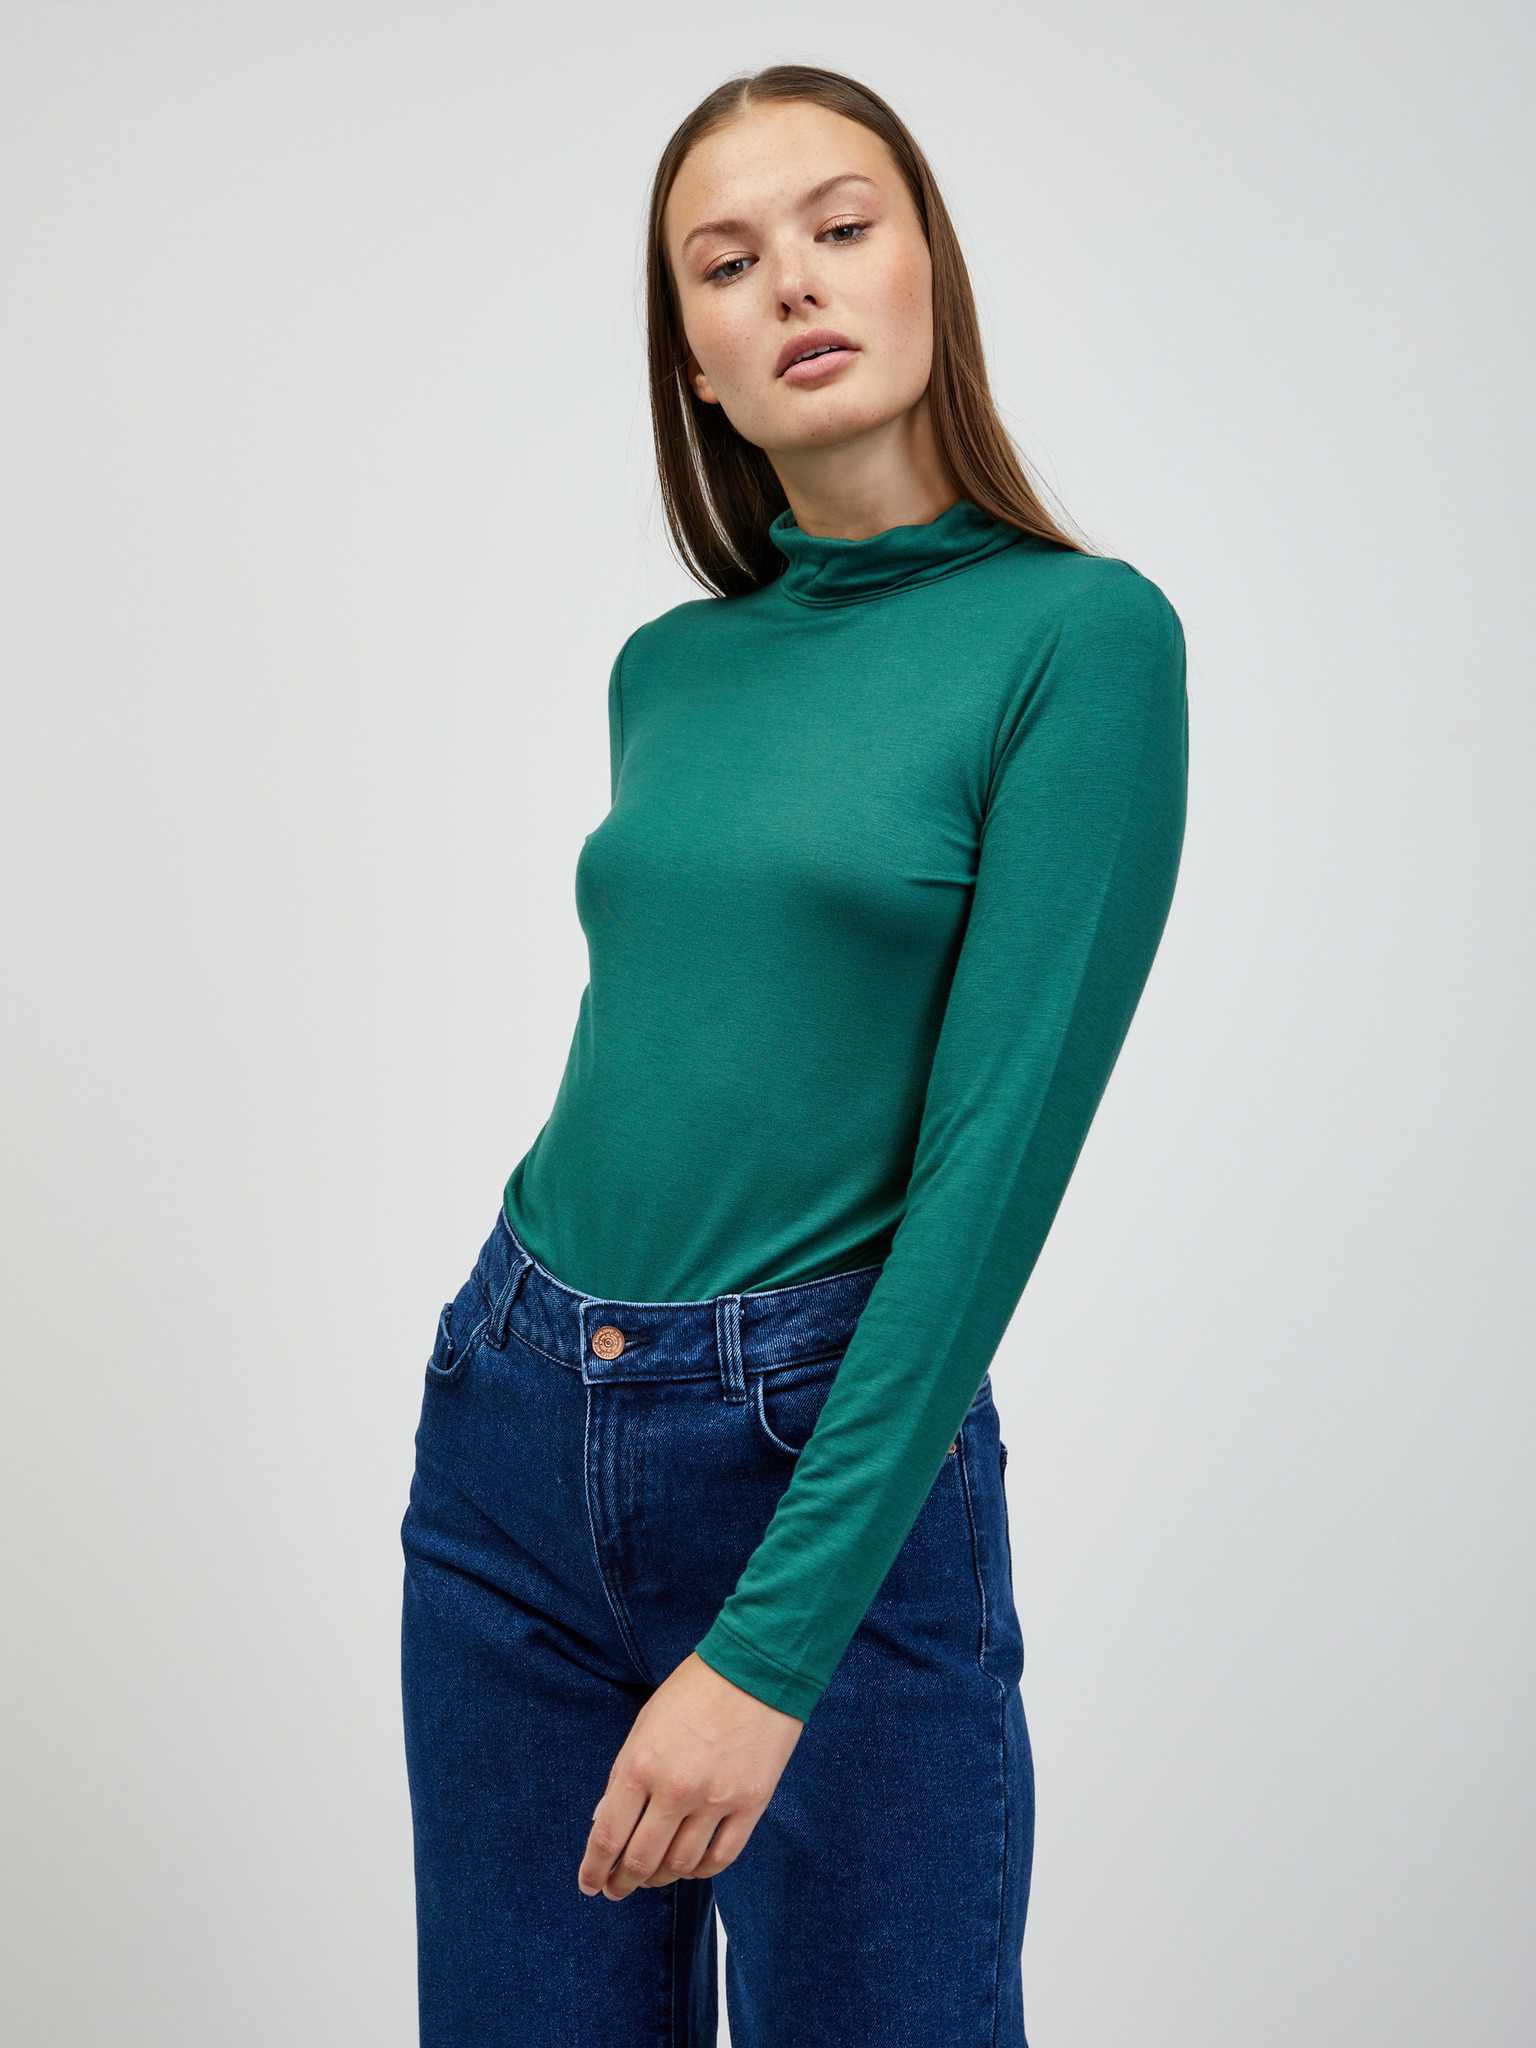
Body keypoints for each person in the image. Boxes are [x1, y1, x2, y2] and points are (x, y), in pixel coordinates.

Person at [400, 63, 1188, 2048]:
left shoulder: (1082, 642)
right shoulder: (669, 669)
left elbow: (986, 1186)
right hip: (511, 1429)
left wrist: (771, 1649)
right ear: (697, 361)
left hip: (823, 1446)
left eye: (842, 226)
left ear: (929, 267)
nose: (796, 285)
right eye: (728, 262)